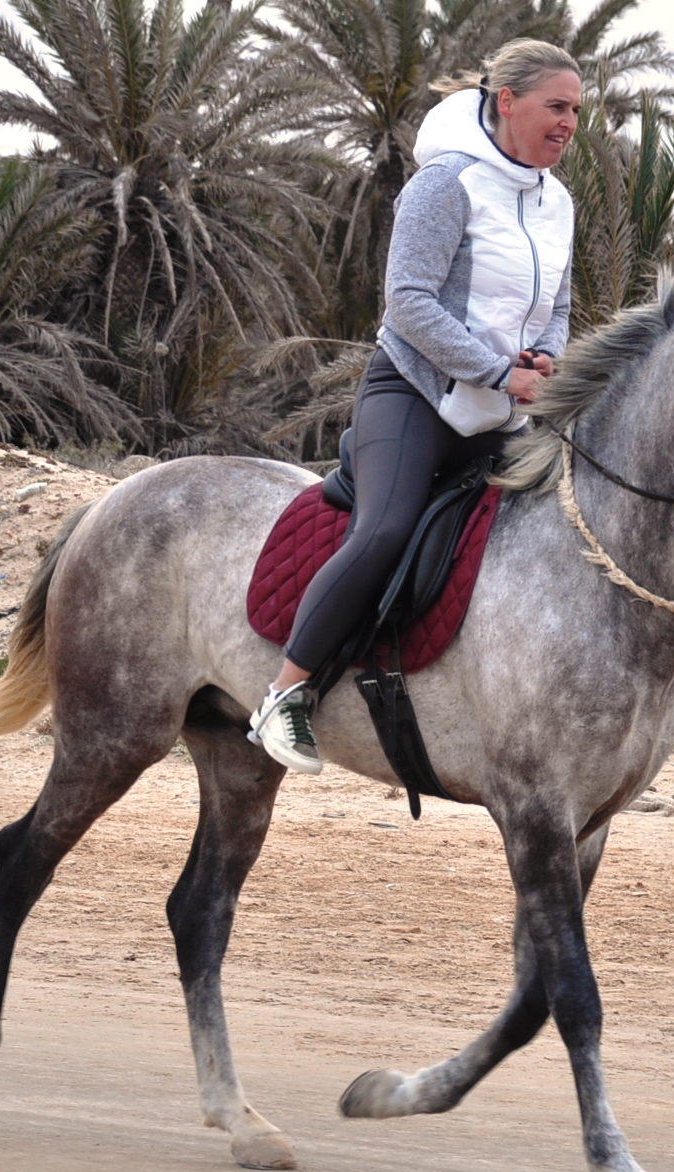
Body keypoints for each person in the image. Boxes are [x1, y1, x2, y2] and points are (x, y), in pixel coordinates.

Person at [249, 39, 582, 774]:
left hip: (502, 413)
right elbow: (407, 304)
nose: (569, 124)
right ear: (507, 101)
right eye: (557, 107)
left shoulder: (557, 202)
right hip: (413, 399)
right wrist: (500, 369)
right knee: (387, 527)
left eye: (576, 111)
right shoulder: (446, 184)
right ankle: (285, 694)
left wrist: (545, 357)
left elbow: (557, 305)